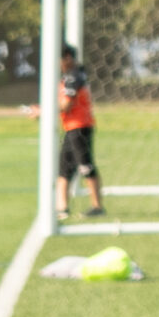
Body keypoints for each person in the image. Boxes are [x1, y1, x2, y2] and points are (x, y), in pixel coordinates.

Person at [54, 43, 105, 222]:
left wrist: (44, 111)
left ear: (68, 58)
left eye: (59, 59)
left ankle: (97, 206)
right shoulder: (71, 75)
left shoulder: (74, 76)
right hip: (71, 127)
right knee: (64, 168)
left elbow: (67, 104)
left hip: (80, 127)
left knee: (85, 166)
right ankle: (62, 208)